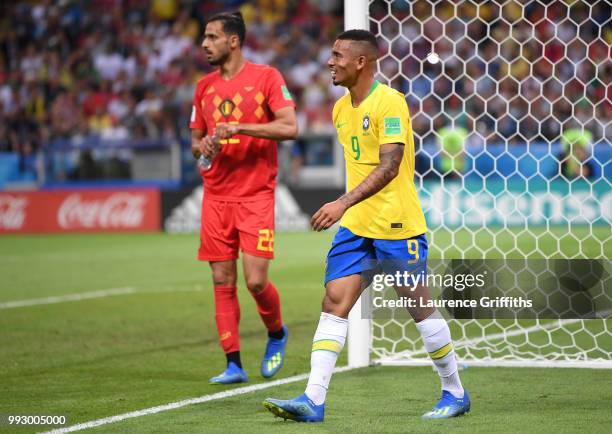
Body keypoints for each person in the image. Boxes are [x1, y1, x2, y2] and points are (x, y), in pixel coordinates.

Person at [263, 30, 470, 421]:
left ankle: (455, 392)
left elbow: (390, 166)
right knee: (334, 301)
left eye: (338, 55)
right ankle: (313, 399)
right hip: (357, 226)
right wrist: (349, 209)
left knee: (419, 308)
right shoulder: (341, 109)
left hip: (396, 222)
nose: (330, 62)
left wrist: (342, 202)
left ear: (361, 61)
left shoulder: (390, 102)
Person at [189, 11, 298, 384]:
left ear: (233, 41)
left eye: (212, 37)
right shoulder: (203, 87)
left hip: (255, 196)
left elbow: (290, 126)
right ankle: (233, 363)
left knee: (254, 281)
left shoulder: (267, 78)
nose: (204, 44)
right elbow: (195, 144)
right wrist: (203, 146)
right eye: (204, 38)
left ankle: (277, 332)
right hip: (216, 196)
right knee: (222, 280)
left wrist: (242, 127)